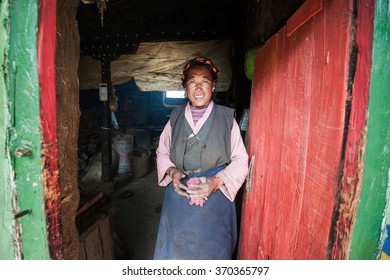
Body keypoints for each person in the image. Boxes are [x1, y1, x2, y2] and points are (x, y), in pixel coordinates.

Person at [153, 56, 249, 259]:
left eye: (204, 81)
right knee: (176, 252)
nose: (198, 88)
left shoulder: (226, 118)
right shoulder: (175, 118)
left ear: (213, 86)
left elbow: (241, 159)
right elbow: (162, 151)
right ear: (185, 87)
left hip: (214, 201)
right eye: (192, 82)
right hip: (179, 197)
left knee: (211, 252)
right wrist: (172, 172)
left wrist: (216, 181)